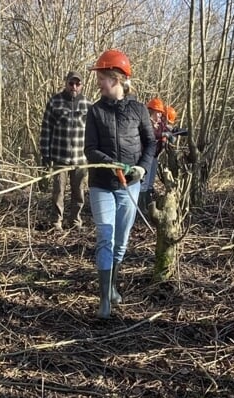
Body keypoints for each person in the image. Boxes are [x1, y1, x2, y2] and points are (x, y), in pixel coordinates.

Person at [85, 49, 156, 319]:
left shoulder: (138, 109)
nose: (98, 82)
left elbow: (150, 143)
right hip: (102, 183)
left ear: (116, 78)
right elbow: (90, 149)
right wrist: (114, 165)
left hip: (131, 185)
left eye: (102, 77)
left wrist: (141, 168)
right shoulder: (95, 111)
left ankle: (113, 286)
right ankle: (104, 299)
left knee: (121, 241)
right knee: (105, 235)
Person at [39, 71, 93, 231]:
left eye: (77, 84)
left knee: (79, 193)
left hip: (80, 158)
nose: (74, 87)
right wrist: (45, 153)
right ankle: (56, 222)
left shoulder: (88, 105)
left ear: (82, 85)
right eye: (71, 83)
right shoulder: (55, 102)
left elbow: (92, 132)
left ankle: (75, 221)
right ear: (66, 83)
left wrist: (92, 153)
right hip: (59, 156)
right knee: (58, 192)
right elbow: (46, 129)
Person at [138, 97, 167, 212]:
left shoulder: (159, 124)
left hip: (154, 156)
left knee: (150, 183)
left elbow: (165, 129)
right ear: (151, 111)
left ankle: (147, 204)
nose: (160, 115)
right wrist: (163, 134)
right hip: (145, 157)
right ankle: (140, 208)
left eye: (161, 113)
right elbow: (152, 134)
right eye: (158, 112)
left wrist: (174, 131)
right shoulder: (146, 123)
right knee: (143, 183)